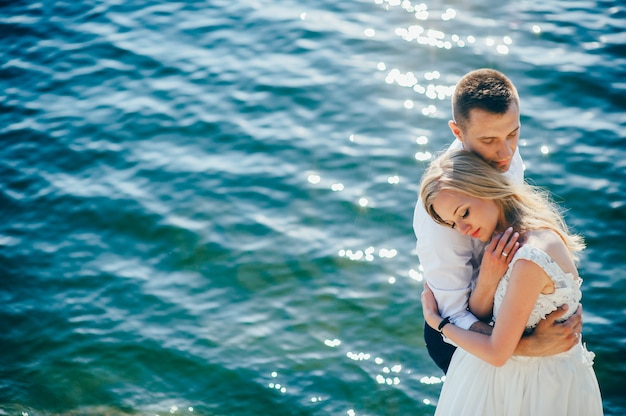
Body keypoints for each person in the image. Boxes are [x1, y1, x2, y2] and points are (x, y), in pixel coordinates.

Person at [412, 68, 581, 373]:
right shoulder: (441, 213)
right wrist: (530, 346)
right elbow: (454, 314)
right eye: (489, 139)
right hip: (459, 338)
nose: (505, 152)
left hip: (505, 315)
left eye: (513, 133)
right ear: (458, 132)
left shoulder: (504, 158)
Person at [419, 149, 602, 415]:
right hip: (510, 380)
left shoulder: (529, 257)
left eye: (465, 213)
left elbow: (497, 353)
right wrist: (488, 280)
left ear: (486, 187)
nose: (462, 229)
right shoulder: (507, 241)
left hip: (539, 388)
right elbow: (484, 316)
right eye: (453, 223)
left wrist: (440, 324)